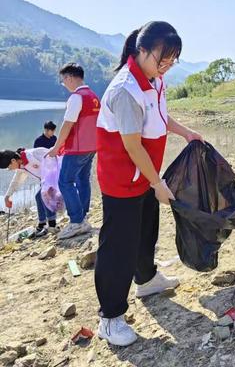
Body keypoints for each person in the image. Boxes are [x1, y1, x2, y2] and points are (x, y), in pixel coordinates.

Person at [94, 21, 204, 347]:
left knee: (146, 231)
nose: (167, 66)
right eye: (162, 58)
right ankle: (110, 318)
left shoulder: (154, 81)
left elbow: (159, 117)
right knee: (118, 248)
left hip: (144, 176)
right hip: (122, 181)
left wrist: (186, 133)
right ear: (141, 51)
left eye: (173, 60)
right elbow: (132, 145)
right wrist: (157, 183)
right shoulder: (124, 89)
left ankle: (146, 279)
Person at [48, 63, 100, 239]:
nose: (64, 84)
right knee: (82, 180)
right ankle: (82, 216)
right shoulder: (93, 96)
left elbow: (67, 125)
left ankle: (77, 221)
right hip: (91, 147)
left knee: (65, 182)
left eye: (63, 80)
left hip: (77, 148)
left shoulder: (76, 97)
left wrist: (56, 148)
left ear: (70, 77)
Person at [0, 148, 59, 237]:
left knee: (43, 194)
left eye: (9, 167)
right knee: (38, 197)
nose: (10, 169)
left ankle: (52, 226)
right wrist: (7, 196)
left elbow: (52, 163)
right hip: (48, 179)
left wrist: (47, 182)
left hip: (59, 172)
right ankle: (42, 225)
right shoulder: (21, 166)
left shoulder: (31, 156)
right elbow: (16, 181)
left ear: (13, 160)